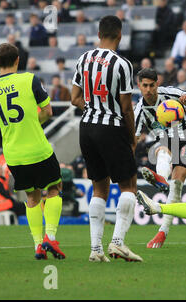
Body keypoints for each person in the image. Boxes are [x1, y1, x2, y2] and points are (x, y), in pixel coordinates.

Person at [0, 43, 64, 260]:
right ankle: (50, 237)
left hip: (13, 153)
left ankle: (38, 246)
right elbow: (47, 111)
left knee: (32, 196)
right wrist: (34, 122)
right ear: (18, 60)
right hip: (37, 148)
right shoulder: (30, 79)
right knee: (54, 187)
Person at [71, 15, 142, 263]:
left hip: (86, 128)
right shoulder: (122, 64)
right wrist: (131, 138)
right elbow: (126, 108)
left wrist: (92, 107)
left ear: (99, 33)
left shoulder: (84, 58)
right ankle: (118, 243)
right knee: (129, 186)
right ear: (119, 35)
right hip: (111, 128)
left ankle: (95, 249)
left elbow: (74, 98)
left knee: (99, 189)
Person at [134, 68, 186, 249]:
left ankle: (162, 231)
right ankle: (161, 179)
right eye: (145, 86)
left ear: (157, 84)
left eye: (152, 85)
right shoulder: (140, 109)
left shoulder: (171, 93)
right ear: (139, 86)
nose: (149, 89)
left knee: (177, 184)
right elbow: (134, 138)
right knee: (162, 148)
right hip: (163, 140)